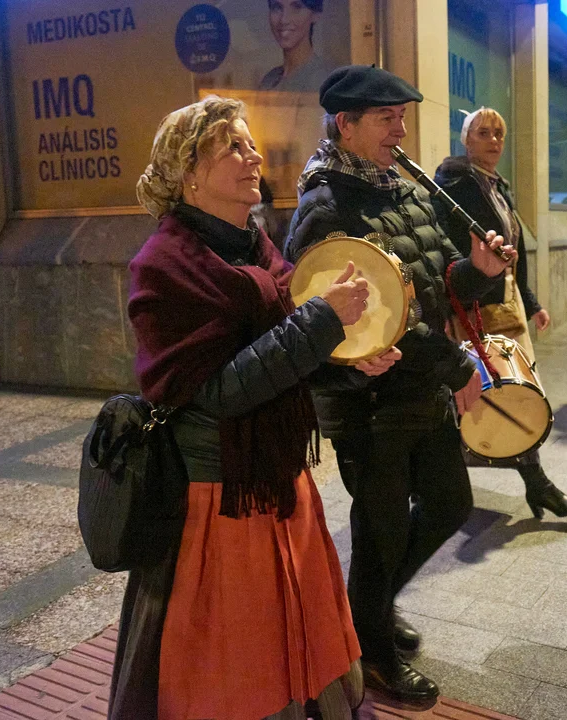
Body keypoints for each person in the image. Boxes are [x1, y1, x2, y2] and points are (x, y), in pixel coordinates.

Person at [113, 96, 398, 720]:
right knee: (238, 667)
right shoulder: (163, 266)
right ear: (189, 172)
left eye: (251, 144)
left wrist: (349, 357)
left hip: (277, 479)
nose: (254, 158)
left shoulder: (257, 248)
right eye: (233, 148)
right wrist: (322, 322)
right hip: (220, 501)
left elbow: (286, 350)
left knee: (304, 648)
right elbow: (219, 391)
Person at [285, 66, 515, 703]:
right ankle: (375, 652)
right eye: (387, 118)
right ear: (346, 125)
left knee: (448, 504)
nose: (401, 130)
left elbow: (438, 282)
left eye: (403, 117)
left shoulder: (404, 189)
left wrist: (479, 268)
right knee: (381, 529)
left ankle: (371, 610)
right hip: (367, 399)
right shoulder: (326, 207)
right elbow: (371, 321)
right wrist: (457, 367)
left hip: (418, 388)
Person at [432, 107, 567, 520]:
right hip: (477, 304)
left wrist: (532, 303)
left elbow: (512, 255)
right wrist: (456, 304)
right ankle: (534, 484)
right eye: (483, 133)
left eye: (499, 133)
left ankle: (530, 483)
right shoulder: (456, 184)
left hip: (504, 297)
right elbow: (450, 253)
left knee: (511, 392)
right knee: (503, 394)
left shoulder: (494, 184)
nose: (494, 141)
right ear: (466, 139)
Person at [258, 0, 333, 92]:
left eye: (297, 7)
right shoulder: (269, 80)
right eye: (277, 8)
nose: (284, 20)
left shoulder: (325, 80)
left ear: (315, 14)